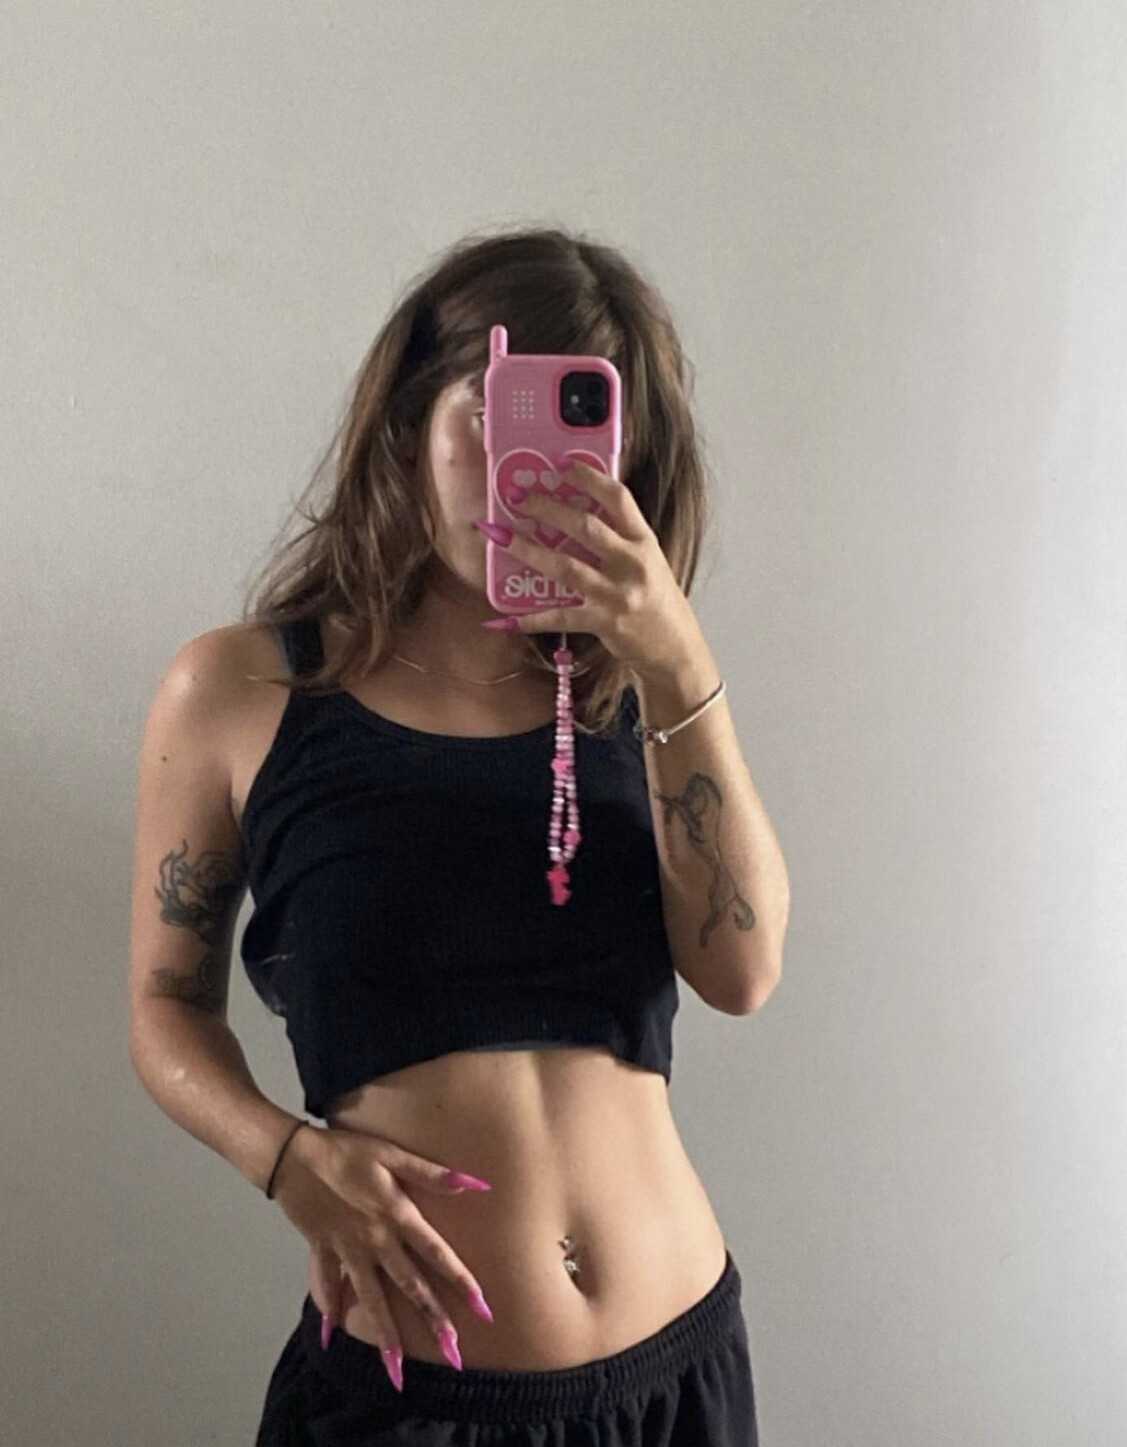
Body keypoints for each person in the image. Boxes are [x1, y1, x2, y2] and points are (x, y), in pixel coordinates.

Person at [128, 224, 788, 1444]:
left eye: (583, 432)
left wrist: (677, 657)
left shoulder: (632, 692)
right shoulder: (241, 693)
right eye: (494, 414)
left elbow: (743, 971)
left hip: (677, 1376)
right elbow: (165, 1007)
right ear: (406, 421)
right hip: (411, 1400)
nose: (526, 471)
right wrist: (286, 1161)